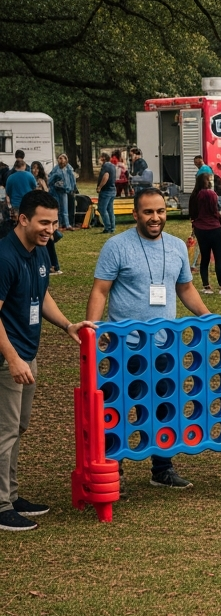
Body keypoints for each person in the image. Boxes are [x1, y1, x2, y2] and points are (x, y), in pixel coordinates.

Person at [87, 188, 209, 492]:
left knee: (165, 406)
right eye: (148, 212)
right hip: (124, 346)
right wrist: (92, 329)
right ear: (136, 214)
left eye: (160, 211)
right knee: (118, 406)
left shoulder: (178, 246)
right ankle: (114, 470)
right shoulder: (117, 246)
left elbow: (185, 289)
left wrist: (207, 317)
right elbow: (100, 290)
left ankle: (162, 468)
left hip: (165, 345)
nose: (155, 218)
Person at [0, 190, 92, 532]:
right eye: (43, 222)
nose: (50, 229)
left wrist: (67, 324)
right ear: (22, 219)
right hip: (9, 359)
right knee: (5, 431)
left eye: (53, 222)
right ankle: (0, 505)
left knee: (17, 429)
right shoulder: (5, 257)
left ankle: (10, 494)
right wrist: (11, 358)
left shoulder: (38, 252)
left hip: (27, 354)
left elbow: (42, 293)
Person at [190, 173, 221, 296]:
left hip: (200, 229)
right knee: (219, 257)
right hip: (214, 228)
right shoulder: (212, 194)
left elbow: (193, 214)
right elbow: (217, 209)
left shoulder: (194, 196)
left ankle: (206, 286)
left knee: (205, 258)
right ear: (207, 182)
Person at [47, 155, 76, 230]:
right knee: (58, 208)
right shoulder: (55, 169)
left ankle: (67, 224)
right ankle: (58, 224)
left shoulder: (68, 169)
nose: (62, 160)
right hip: (55, 191)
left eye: (64, 158)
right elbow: (50, 180)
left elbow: (72, 179)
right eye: (60, 158)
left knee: (65, 208)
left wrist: (72, 188)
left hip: (64, 191)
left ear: (66, 160)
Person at [96, 151, 117, 233]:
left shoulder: (106, 166)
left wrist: (99, 187)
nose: (99, 159)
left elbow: (106, 176)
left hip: (106, 191)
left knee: (102, 209)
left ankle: (107, 227)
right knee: (110, 209)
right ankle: (112, 227)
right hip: (112, 190)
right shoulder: (112, 166)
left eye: (100, 157)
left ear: (103, 158)